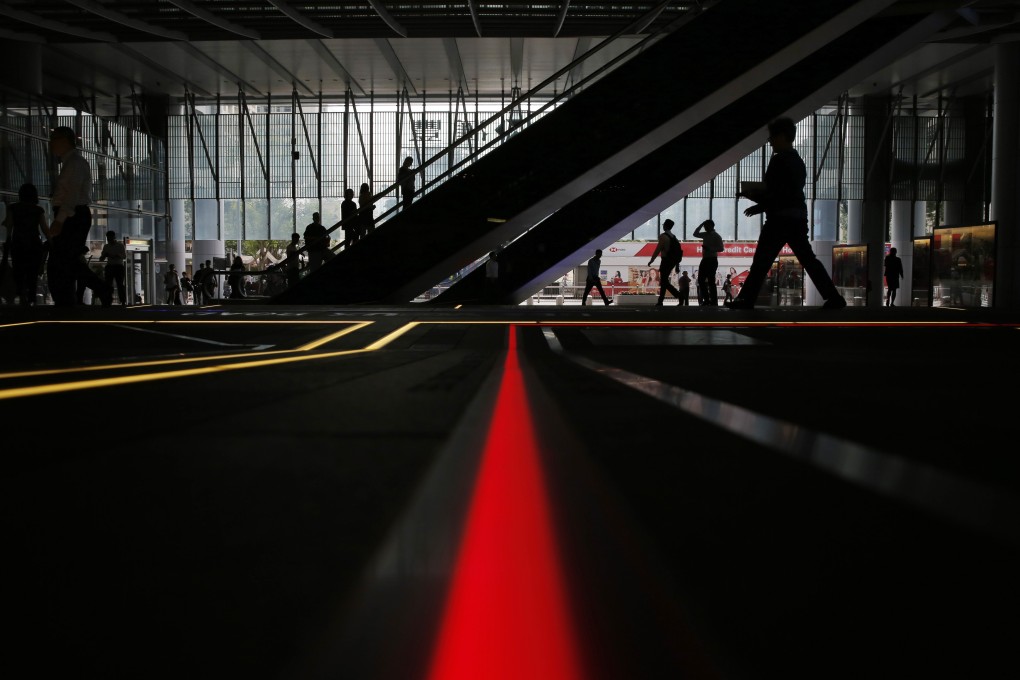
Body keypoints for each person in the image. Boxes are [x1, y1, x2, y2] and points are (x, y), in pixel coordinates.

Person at [728, 117, 846, 310]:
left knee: (762, 260)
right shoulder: (797, 161)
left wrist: (756, 201)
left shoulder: (778, 161)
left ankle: (746, 299)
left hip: (779, 219)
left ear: (782, 136)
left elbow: (776, 194)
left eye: (772, 137)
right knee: (808, 259)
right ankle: (833, 297)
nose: (770, 141)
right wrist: (761, 202)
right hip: (797, 217)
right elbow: (789, 193)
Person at [45, 126, 111, 307]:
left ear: (65, 141)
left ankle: (76, 295)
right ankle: (74, 296)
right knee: (66, 259)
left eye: (54, 139)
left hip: (72, 215)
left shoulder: (74, 163)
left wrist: (59, 221)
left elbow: (72, 195)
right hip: (72, 214)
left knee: (64, 259)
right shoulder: (72, 162)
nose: (51, 144)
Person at [3, 183, 47, 306]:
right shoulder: (38, 210)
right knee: (32, 272)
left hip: (18, 243)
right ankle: (32, 297)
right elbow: (44, 228)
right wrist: (51, 240)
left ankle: (22, 295)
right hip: (34, 243)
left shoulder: (13, 208)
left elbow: (9, 226)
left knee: (19, 270)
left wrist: (7, 240)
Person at [647, 218, 683, 307]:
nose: (662, 226)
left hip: (666, 261)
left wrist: (652, 260)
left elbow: (657, 250)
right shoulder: (673, 237)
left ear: (665, 226)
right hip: (673, 261)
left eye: (663, 225)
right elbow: (678, 252)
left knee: (664, 281)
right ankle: (661, 301)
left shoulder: (663, 236)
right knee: (664, 281)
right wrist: (677, 265)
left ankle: (679, 295)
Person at [693, 219, 724, 305]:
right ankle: (708, 300)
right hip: (706, 259)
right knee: (702, 280)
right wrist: (701, 223)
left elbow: (721, 248)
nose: (705, 228)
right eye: (704, 226)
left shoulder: (717, 236)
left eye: (706, 226)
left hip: (712, 259)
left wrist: (710, 249)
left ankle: (711, 301)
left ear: (711, 226)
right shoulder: (705, 234)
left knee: (710, 281)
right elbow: (695, 234)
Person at [99, 230, 128, 305]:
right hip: (111, 266)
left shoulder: (120, 245)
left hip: (118, 266)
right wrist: (104, 255)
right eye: (108, 238)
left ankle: (122, 301)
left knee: (119, 284)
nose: (109, 239)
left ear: (113, 237)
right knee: (109, 284)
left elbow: (124, 256)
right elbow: (101, 258)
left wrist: (118, 255)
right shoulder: (106, 246)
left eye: (110, 238)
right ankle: (109, 300)